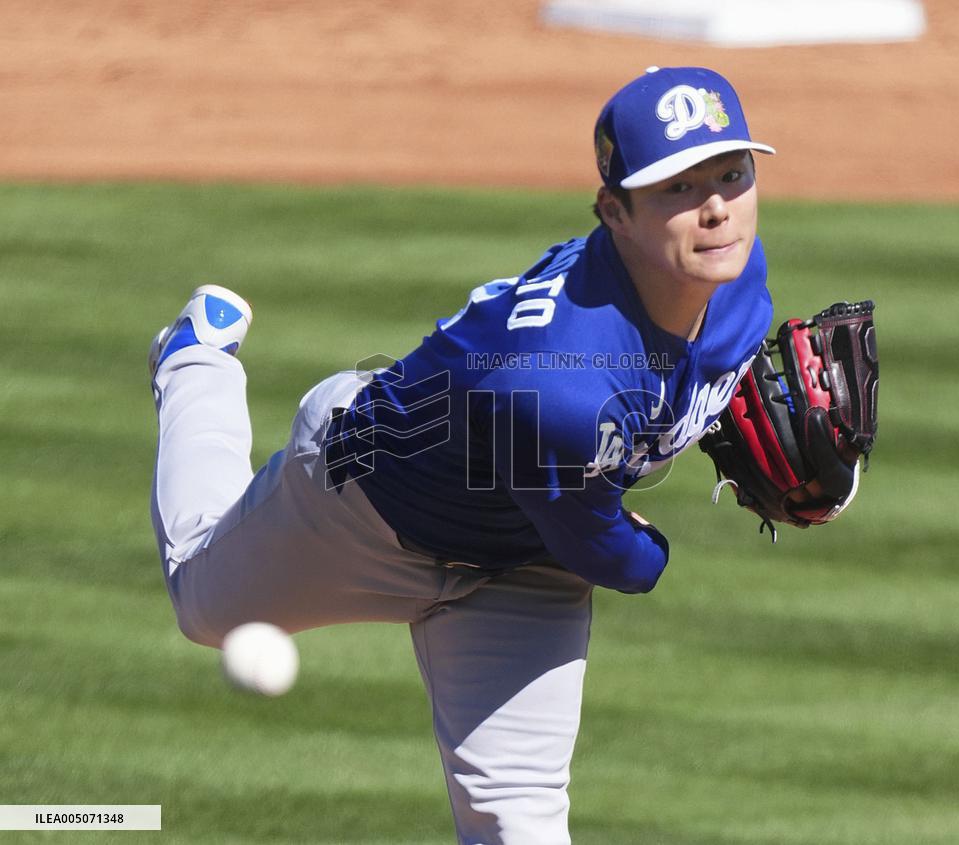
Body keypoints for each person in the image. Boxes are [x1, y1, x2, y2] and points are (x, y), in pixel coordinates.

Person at [149, 66, 776, 844]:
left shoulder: (741, 280)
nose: (718, 208)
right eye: (678, 188)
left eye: (732, 172)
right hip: (364, 503)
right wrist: (650, 540)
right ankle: (195, 358)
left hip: (524, 566)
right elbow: (618, 557)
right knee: (202, 607)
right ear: (614, 211)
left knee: (521, 825)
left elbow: (676, 390)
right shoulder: (560, 386)